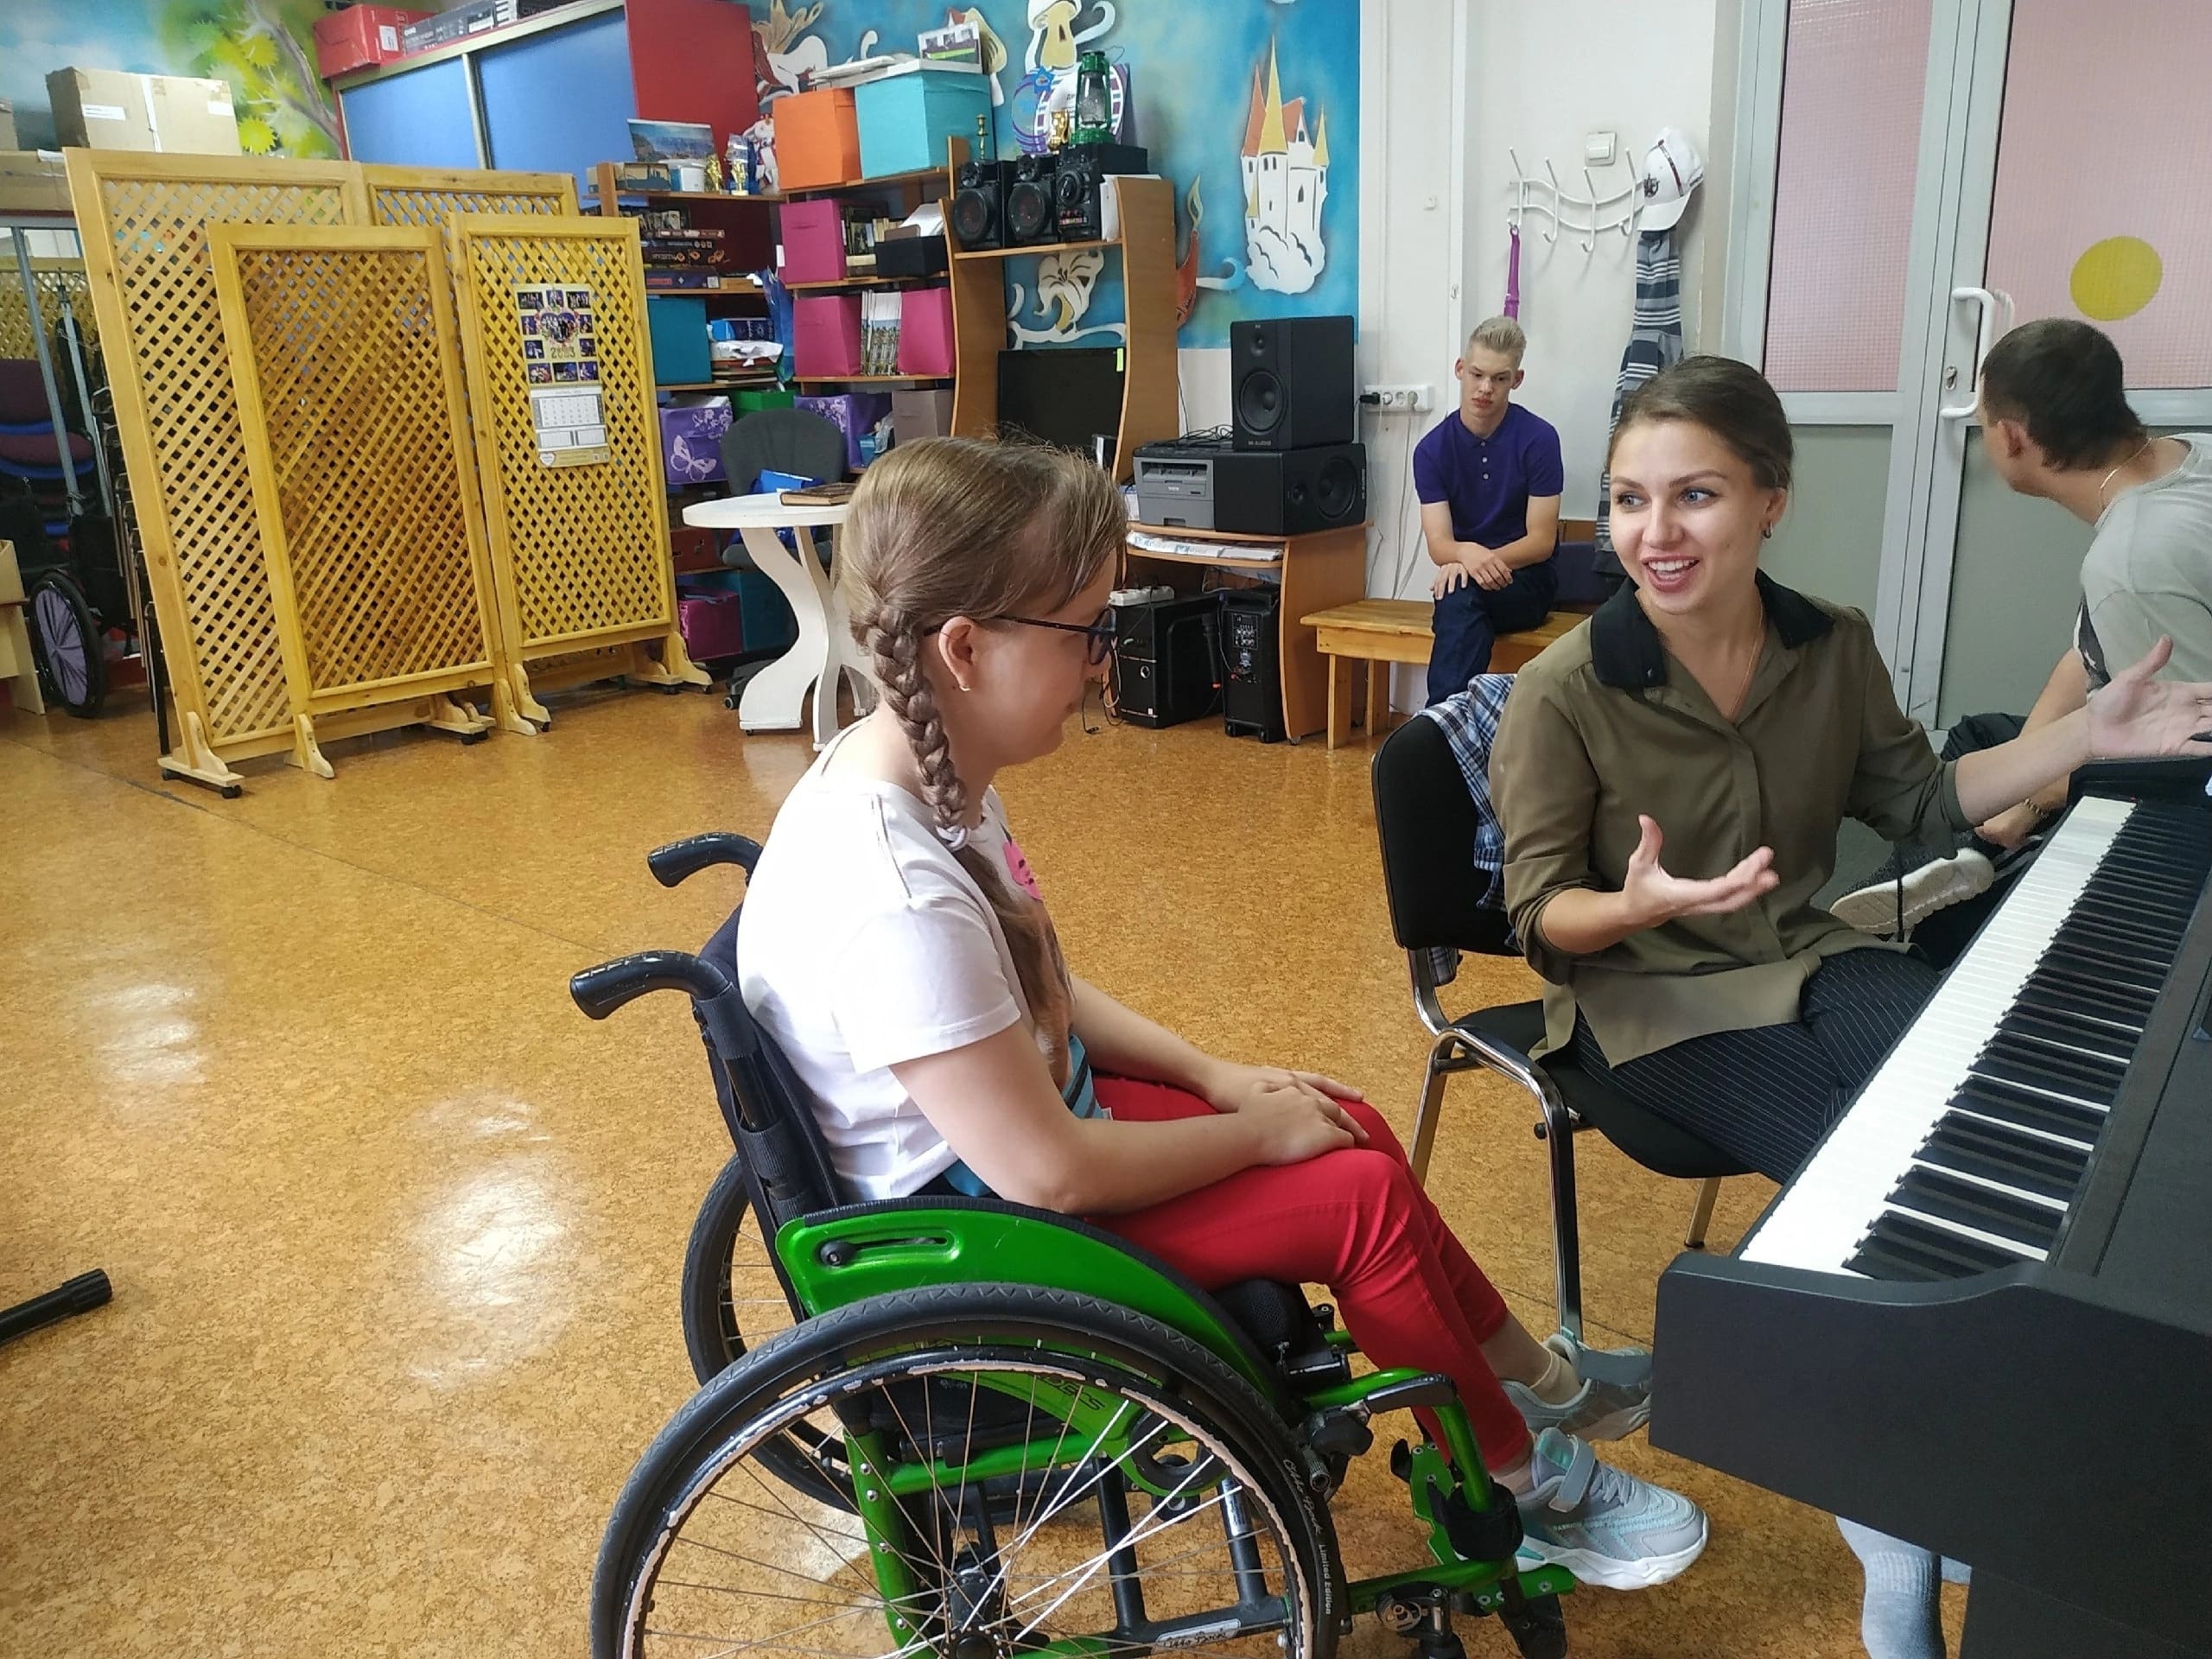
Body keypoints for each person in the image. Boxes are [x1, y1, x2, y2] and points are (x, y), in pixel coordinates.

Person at [736, 435, 1708, 1592]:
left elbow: (1043, 993)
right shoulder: (896, 896)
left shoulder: (925, 770)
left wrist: (1217, 1077)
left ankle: (1532, 1383)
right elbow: (1050, 1173)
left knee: (1342, 1118)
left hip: (1014, 1149)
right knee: (1359, 1206)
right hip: (984, 1226)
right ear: (964, 648)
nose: (1102, 662)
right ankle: (1518, 1485)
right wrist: (1251, 1136)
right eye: (1084, 631)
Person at [1489, 354, 2212, 1658]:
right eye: (1632, 499)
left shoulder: (1830, 642)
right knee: (1866, 1170)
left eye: (1696, 495)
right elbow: (1537, 917)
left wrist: (2084, 737)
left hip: (1808, 954)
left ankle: (1996, 1451)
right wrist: (1632, 906)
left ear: (1770, 498)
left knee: (1989, 1107)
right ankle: (1894, 1525)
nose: (1655, 533)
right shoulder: (1564, 691)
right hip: (1651, 1004)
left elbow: (1922, 803)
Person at [1973, 317, 2212, 848]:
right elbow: (2088, 652)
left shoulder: (2133, 564)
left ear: (2011, 437)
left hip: (2181, 797)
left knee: (1965, 821)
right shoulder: (2191, 454)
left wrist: (2031, 798)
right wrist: (2020, 767)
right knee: (1980, 743)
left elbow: (2183, 753)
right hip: (2147, 732)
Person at [1418, 316, 1565, 704]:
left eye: (1499, 379)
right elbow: (1439, 544)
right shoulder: (1431, 450)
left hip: (1527, 582)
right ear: (1460, 369)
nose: (1485, 388)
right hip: (1464, 584)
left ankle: (1440, 724)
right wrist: (1466, 557)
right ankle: (1456, 721)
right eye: (1477, 374)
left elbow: (1541, 542)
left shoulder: (1540, 439)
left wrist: (1472, 563)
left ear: (1517, 380)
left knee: (1457, 596)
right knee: (1461, 599)